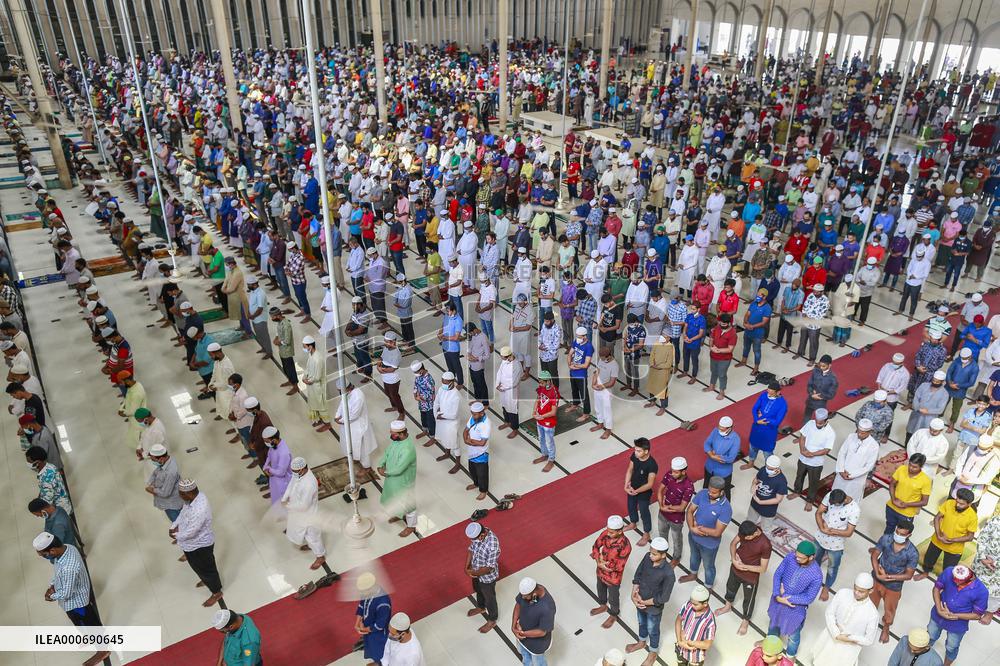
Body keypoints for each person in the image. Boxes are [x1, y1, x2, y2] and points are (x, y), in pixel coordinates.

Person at [32, 532, 111, 665]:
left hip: (77, 603)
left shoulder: (69, 567)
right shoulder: (67, 548)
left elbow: (67, 593)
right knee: (80, 623)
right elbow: (58, 572)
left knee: (91, 624)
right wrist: (52, 585)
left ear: (52, 550)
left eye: (43, 554)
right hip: (72, 601)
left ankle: (103, 650)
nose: (42, 556)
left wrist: (51, 596)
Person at [805, 572, 879, 666]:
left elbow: (869, 640)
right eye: (855, 588)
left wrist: (849, 638)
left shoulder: (872, 613)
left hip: (848, 647)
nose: (856, 593)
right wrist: (836, 633)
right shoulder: (842, 593)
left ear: (871, 591)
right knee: (820, 659)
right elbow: (829, 613)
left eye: (861, 591)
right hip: (831, 635)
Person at [170, 478, 223, 607]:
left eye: (181, 494)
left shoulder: (200, 509)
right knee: (198, 567)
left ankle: (216, 592)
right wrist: (174, 525)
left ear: (188, 493)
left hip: (200, 545)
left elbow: (191, 532)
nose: (180, 496)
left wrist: (176, 535)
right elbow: (183, 512)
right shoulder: (192, 499)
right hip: (190, 545)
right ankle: (206, 580)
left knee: (207, 569)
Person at [766, 541, 823, 659]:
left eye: (801, 558)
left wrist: (786, 597)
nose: (797, 559)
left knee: (793, 635)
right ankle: (770, 645)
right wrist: (777, 595)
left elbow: (809, 598)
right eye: (796, 555)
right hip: (778, 601)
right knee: (773, 624)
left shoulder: (817, 575)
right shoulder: (790, 557)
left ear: (811, 557)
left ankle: (790, 655)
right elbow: (778, 574)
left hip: (795, 608)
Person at [627, 536, 676, 666]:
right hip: (640, 601)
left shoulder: (668, 574)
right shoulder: (647, 557)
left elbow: (663, 598)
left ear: (663, 555)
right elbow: (638, 575)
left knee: (653, 630)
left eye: (654, 554)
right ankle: (642, 642)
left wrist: (644, 602)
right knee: (641, 623)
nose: (650, 556)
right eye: (650, 552)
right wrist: (633, 594)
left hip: (653, 608)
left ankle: (653, 653)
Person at [927, 565, 989, 665]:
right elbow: (936, 588)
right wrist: (938, 608)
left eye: (959, 581)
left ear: (970, 578)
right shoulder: (949, 571)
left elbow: (977, 615)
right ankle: (922, 654)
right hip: (937, 615)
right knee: (930, 635)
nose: (955, 582)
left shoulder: (982, 591)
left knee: (951, 647)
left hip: (958, 625)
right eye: (954, 579)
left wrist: (955, 616)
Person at [717, 520, 771, 635]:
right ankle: (727, 606)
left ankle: (745, 620)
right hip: (735, 568)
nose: (743, 539)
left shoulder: (765, 544)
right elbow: (733, 544)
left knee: (748, 600)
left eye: (746, 538)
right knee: (730, 588)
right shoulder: (746, 530)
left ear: (755, 534)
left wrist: (744, 567)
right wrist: (734, 559)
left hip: (750, 577)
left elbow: (763, 569)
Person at [870, 519, 919, 642]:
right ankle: (868, 622)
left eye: (902, 534)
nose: (898, 536)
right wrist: (877, 573)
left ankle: (886, 628)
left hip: (894, 586)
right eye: (897, 532)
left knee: (889, 610)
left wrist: (888, 577)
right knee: (870, 604)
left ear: (909, 535)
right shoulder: (886, 538)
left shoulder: (912, 552)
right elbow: (874, 555)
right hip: (877, 579)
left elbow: (908, 575)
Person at [680, 476, 732, 591]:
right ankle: (693, 574)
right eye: (709, 490)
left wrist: (699, 529)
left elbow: (717, 532)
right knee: (694, 557)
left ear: (722, 492)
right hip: (693, 536)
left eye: (713, 493)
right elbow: (690, 510)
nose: (709, 493)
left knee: (708, 566)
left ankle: (708, 586)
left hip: (709, 545)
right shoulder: (703, 493)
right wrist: (692, 528)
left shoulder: (726, 508)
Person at [918, 489, 978, 577]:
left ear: (969, 504)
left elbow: (970, 537)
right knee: (928, 560)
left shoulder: (972, 517)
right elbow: (937, 518)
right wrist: (938, 535)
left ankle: (944, 584)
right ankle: (925, 573)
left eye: (961, 504)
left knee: (949, 570)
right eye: (957, 501)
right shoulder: (949, 503)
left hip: (954, 548)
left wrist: (952, 540)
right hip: (937, 540)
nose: (957, 505)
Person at [815, 488, 860, 600]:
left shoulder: (854, 510)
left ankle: (826, 588)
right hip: (821, 536)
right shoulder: (831, 495)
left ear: (844, 501)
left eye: (834, 504)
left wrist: (832, 531)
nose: (831, 505)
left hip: (836, 544)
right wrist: (821, 528)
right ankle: (812, 579)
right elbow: (819, 512)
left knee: (832, 567)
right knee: (814, 560)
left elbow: (849, 532)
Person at [281, 457, 326, 570]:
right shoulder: (298, 475)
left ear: (302, 469)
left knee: (313, 536)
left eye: (295, 471)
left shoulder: (309, 483)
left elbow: (304, 505)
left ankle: (320, 556)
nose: (293, 473)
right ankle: (311, 546)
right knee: (302, 531)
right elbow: (291, 485)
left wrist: (287, 505)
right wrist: (284, 498)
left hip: (308, 514)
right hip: (297, 510)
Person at [590, 515, 633, 629]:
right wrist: (598, 559)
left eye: (612, 532)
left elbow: (619, 567)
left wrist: (602, 564)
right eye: (608, 530)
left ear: (620, 531)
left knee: (614, 597)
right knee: (600, 588)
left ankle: (614, 614)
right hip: (600, 570)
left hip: (613, 577)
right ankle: (603, 605)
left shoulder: (625, 546)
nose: (608, 534)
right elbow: (595, 547)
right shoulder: (606, 533)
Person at [378, 421, 418, 538]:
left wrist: (384, 472)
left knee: (409, 504)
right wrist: (381, 464)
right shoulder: (396, 442)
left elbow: (399, 469)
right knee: (394, 498)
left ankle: (411, 526)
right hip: (392, 480)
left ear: (401, 434)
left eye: (393, 433)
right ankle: (399, 514)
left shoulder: (408, 448)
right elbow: (387, 453)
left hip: (404, 481)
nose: (390, 434)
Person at [789, 408, 834, 509]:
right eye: (817, 422)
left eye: (820, 423)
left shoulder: (830, 432)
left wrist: (812, 454)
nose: (818, 425)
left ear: (827, 421)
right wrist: (802, 449)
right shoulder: (810, 423)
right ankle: (797, 492)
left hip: (816, 463)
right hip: (803, 458)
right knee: (799, 476)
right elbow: (802, 436)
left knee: (813, 482)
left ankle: (810, 500)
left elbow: (827, 450)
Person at [656, 456, 695, 567]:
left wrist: (666, 507)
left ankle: (676, 558)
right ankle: (661, 552)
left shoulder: (688, 486)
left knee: (676, 540)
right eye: (672, 470)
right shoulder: (669, 474)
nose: (672, 473)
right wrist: (661, 505)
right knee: (662, 534)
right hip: (663, 514)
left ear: (684, 471)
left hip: (676, 519)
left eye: (676, 472)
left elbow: (682, 507)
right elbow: (660, 490)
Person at [334, 378, 379, 472]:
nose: (339, 392)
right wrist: (337, 415)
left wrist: (341, 420)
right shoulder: (346, 393)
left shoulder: (358, 396)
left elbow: (354, 414)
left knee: (361, 447)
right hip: (348, 425)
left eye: (339, 391)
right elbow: (342, 404)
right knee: (349, 443)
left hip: (358, 426)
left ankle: (367, 467)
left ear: (345, 388)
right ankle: (354, 457)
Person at [742, 382, 788, 469]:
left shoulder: (783, 405)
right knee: (752, 448)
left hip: (768, 433)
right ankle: (751, 463)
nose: (769, 394)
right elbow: (754, 408)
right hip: (757, 428)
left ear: (778, 392)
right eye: (768, 391)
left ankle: (770, 468)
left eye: (771, 393)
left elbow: (777, 422)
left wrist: (763, 417)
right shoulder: (764, 395)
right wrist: (757, 420)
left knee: (768, 453)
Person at [465, 521, 501, 633]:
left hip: (487, 577)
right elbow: (471, 550)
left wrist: (473, 573)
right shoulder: (479, 532)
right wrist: (466, 567)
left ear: (482, 535)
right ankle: (481, 607)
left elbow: (489, 568)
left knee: (490, 598)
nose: (473, 542)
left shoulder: (492, 544)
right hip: (476, 571)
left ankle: (492, 619)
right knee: (478, 589)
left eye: (475, 539)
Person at [512, 577, 556, 666]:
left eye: (525, 596)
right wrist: (513, 626)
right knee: (525, 657)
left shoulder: (547, 607)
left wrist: (521, 633)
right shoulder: (529, 590)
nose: (522, 597)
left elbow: (542, 632)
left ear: (534, 593)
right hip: (522, 636)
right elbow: (518, 605)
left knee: (538, 663)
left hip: (537, 644)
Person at [831, 419, 879, 500]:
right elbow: (842, 453)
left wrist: (852, 475)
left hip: (856, 478)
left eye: (862, 433)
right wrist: (841, 469)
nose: (859, 434)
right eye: (858, 431)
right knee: (835, 495)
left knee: (850, 499)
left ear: (870, 432)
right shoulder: (851, 436)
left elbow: (869, 466)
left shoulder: (874, 446)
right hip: (843, 472)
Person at [885, 453, 931, 534]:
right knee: (889, 528)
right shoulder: (902, 469)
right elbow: (892, 484)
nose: (911, 468)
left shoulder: (926, 480)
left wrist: (906, 504)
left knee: (902, 535)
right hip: (892, 507)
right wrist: (893, 499)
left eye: (915, 467)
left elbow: (924, 502)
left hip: (907, 513)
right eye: (910, 465)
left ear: (921, 467)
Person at [625, 437, 658, 546]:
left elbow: (649, 484)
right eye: (635, 450)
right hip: (633, 487)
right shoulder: (634, 456)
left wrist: (637, 491)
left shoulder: (652, 464)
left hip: (643, 491)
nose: (636, 452)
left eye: (639, 451)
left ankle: (646, 533)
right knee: (631, 506)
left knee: (644, 511)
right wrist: (626, 485)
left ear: (646, 451)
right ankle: (633, 523)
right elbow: (630, 469)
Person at [355, 572, 392, 664]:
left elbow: (380, 625)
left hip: (378, 635)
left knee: (379, 652)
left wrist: (365, 629)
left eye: (363, 591)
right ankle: (377, 662)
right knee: (371, 648)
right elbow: (362, 605)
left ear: (372, 587)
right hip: (368, 630)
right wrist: (358, 622)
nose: (361, 593)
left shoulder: (383, 603)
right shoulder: (367, 592)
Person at [702, 416, 740, 499]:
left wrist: (714, 456)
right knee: (706, 486)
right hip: (710, 467)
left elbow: (731, 458)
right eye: (719, 428)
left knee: (725, 492)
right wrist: (711, 454)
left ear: (730, 428)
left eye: (723, 429)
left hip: (723, 473)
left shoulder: (735, 439)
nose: (720, 430)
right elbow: (707, 443)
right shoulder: (715, 431)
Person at [906, 372, 950, 443]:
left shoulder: (945, 394)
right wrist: (917, 408)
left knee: (923, 436)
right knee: (910, 433)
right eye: (934, 380)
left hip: (929, 419)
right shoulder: (924, 385)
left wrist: (928, 411)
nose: (935, 382)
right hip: (916, 414)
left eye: (937, 381)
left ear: (942, 382)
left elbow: (940, 409)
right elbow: (916, 398)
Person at [145, 443, 183, 521]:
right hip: (167, 502)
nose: (152, 461)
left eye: (153, 460)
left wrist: (152, 490)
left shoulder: (171, 472)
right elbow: (157, 471)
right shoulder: (166, 460)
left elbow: (165, 493)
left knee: (178, 524)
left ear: (161, 459)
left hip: (172, 505)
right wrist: (150, 482)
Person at [433, 371, 462, 472]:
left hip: (451, 423)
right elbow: (436, 402)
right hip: (442, 419)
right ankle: (447, 453)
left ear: (452, 382)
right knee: (444, 438)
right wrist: (436, 414)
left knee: (454, 442)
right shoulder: (441, 389)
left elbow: (454, 414)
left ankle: (458, 463)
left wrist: (442, 416)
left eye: (446, 382)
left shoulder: (456, 395)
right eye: (443, 382)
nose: (444, 384)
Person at [301, 336, 330, 431]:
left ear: (310, 346)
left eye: (304, 346)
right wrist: (304, 377)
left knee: (321, 405)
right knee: (313, 402)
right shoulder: (311, 355)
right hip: (311, 385)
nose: (304, 348)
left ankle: (327, 423)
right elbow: (308, 367)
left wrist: (308, 381)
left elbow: (317, 377)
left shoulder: (318, 359)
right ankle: (318, 419)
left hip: (317, 386)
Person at [532, 370, 560, 471]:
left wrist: (542, 416)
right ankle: (544, 454)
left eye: (542, 382)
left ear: (548, 381)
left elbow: (553, 412)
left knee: (549, 441)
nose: (540, 384)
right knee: (541, 439)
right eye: (539, 382)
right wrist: (534, 411)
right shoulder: (541, 388)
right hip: (540, 419)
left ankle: (551, 460)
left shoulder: (554, 393)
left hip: (548, 422)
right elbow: (538, 399)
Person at [465, 402, 491, 500]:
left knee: (482, 473)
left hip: (481, 453)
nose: (473, 416)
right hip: (472, 451)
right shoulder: (473, 418)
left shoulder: (486, 424)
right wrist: (465, 440)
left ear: (482, 413)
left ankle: (483, 491)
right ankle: (476, 483)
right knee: (472, 470)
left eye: (475, 414)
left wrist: (470, 441)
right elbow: (465, 430)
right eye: (472, 413)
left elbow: (482, 443)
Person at [705, 313, 736, 400]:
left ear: (729, 323)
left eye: (724, 324)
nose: (722, 326)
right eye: (721, 324)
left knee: (722, 374)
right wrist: (711, 347)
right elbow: (711, 338)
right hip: (713, 355)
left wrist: (718, 350)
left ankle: (722, 392)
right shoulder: (717, 328)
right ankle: (711, 386)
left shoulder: (733, 334)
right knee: (713, 371)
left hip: (724, 359)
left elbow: (730, 349)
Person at [591, 346, 618, 439]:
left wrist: (602, 386)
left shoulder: (614, 365)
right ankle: (600, 423)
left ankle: (608, 429)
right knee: (597, 407)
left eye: (602, 357)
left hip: (606, 391)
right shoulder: (601, 359)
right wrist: (593, 383)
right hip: (598, 387)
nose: (601, 359)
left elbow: (612, 382)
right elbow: (597, 371)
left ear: (608, 356)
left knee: (607, 410)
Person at [495, 346, 522, 438]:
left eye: (503, 357)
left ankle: (515, 429)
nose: (502, 359)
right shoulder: (505, 361)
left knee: (512, 409)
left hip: (511, 391)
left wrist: (503, 387)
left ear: (509, 356)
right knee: (504, 405)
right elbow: (499, 373)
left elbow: (514, 382)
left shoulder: (517, 366)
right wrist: (497, 384)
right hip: (502, 388)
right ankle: (507, 422)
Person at [568, 326, 594, 419]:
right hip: (573, 372)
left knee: (584, 394)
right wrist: (569, 365)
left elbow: (586, 364)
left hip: (581, 375)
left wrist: (575, 366)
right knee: (574, 390)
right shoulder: (576, 341)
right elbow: (570, 353)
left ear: (585, 336)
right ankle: (575, 404)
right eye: (577, 336)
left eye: (579, 336)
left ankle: (586, 413)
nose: (578, 338)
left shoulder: (589, 347)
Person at [645, 334, 675, 413]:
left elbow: (669, 363)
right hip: (653, 369)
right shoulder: (656, 343)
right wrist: (652, 363)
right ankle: (652, 401)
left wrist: (658, 366)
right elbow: (652, 355)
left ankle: (663, 407)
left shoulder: (670, 347)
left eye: (665, 336)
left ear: (668, 338)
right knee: (652, 386)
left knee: (662, 389)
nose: (662, 337)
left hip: (663, 371)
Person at [804, 355, 838, 421]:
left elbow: (831, 395)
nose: (821, 368)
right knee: (806, 419)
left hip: (821, 404)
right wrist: (811, 394)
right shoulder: (815, 371)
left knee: (820, 422)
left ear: (830, 365)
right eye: (820, 365)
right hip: (810, 400)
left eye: (824, 366)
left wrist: (819, 395)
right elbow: (809, 384)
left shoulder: (833, 378)